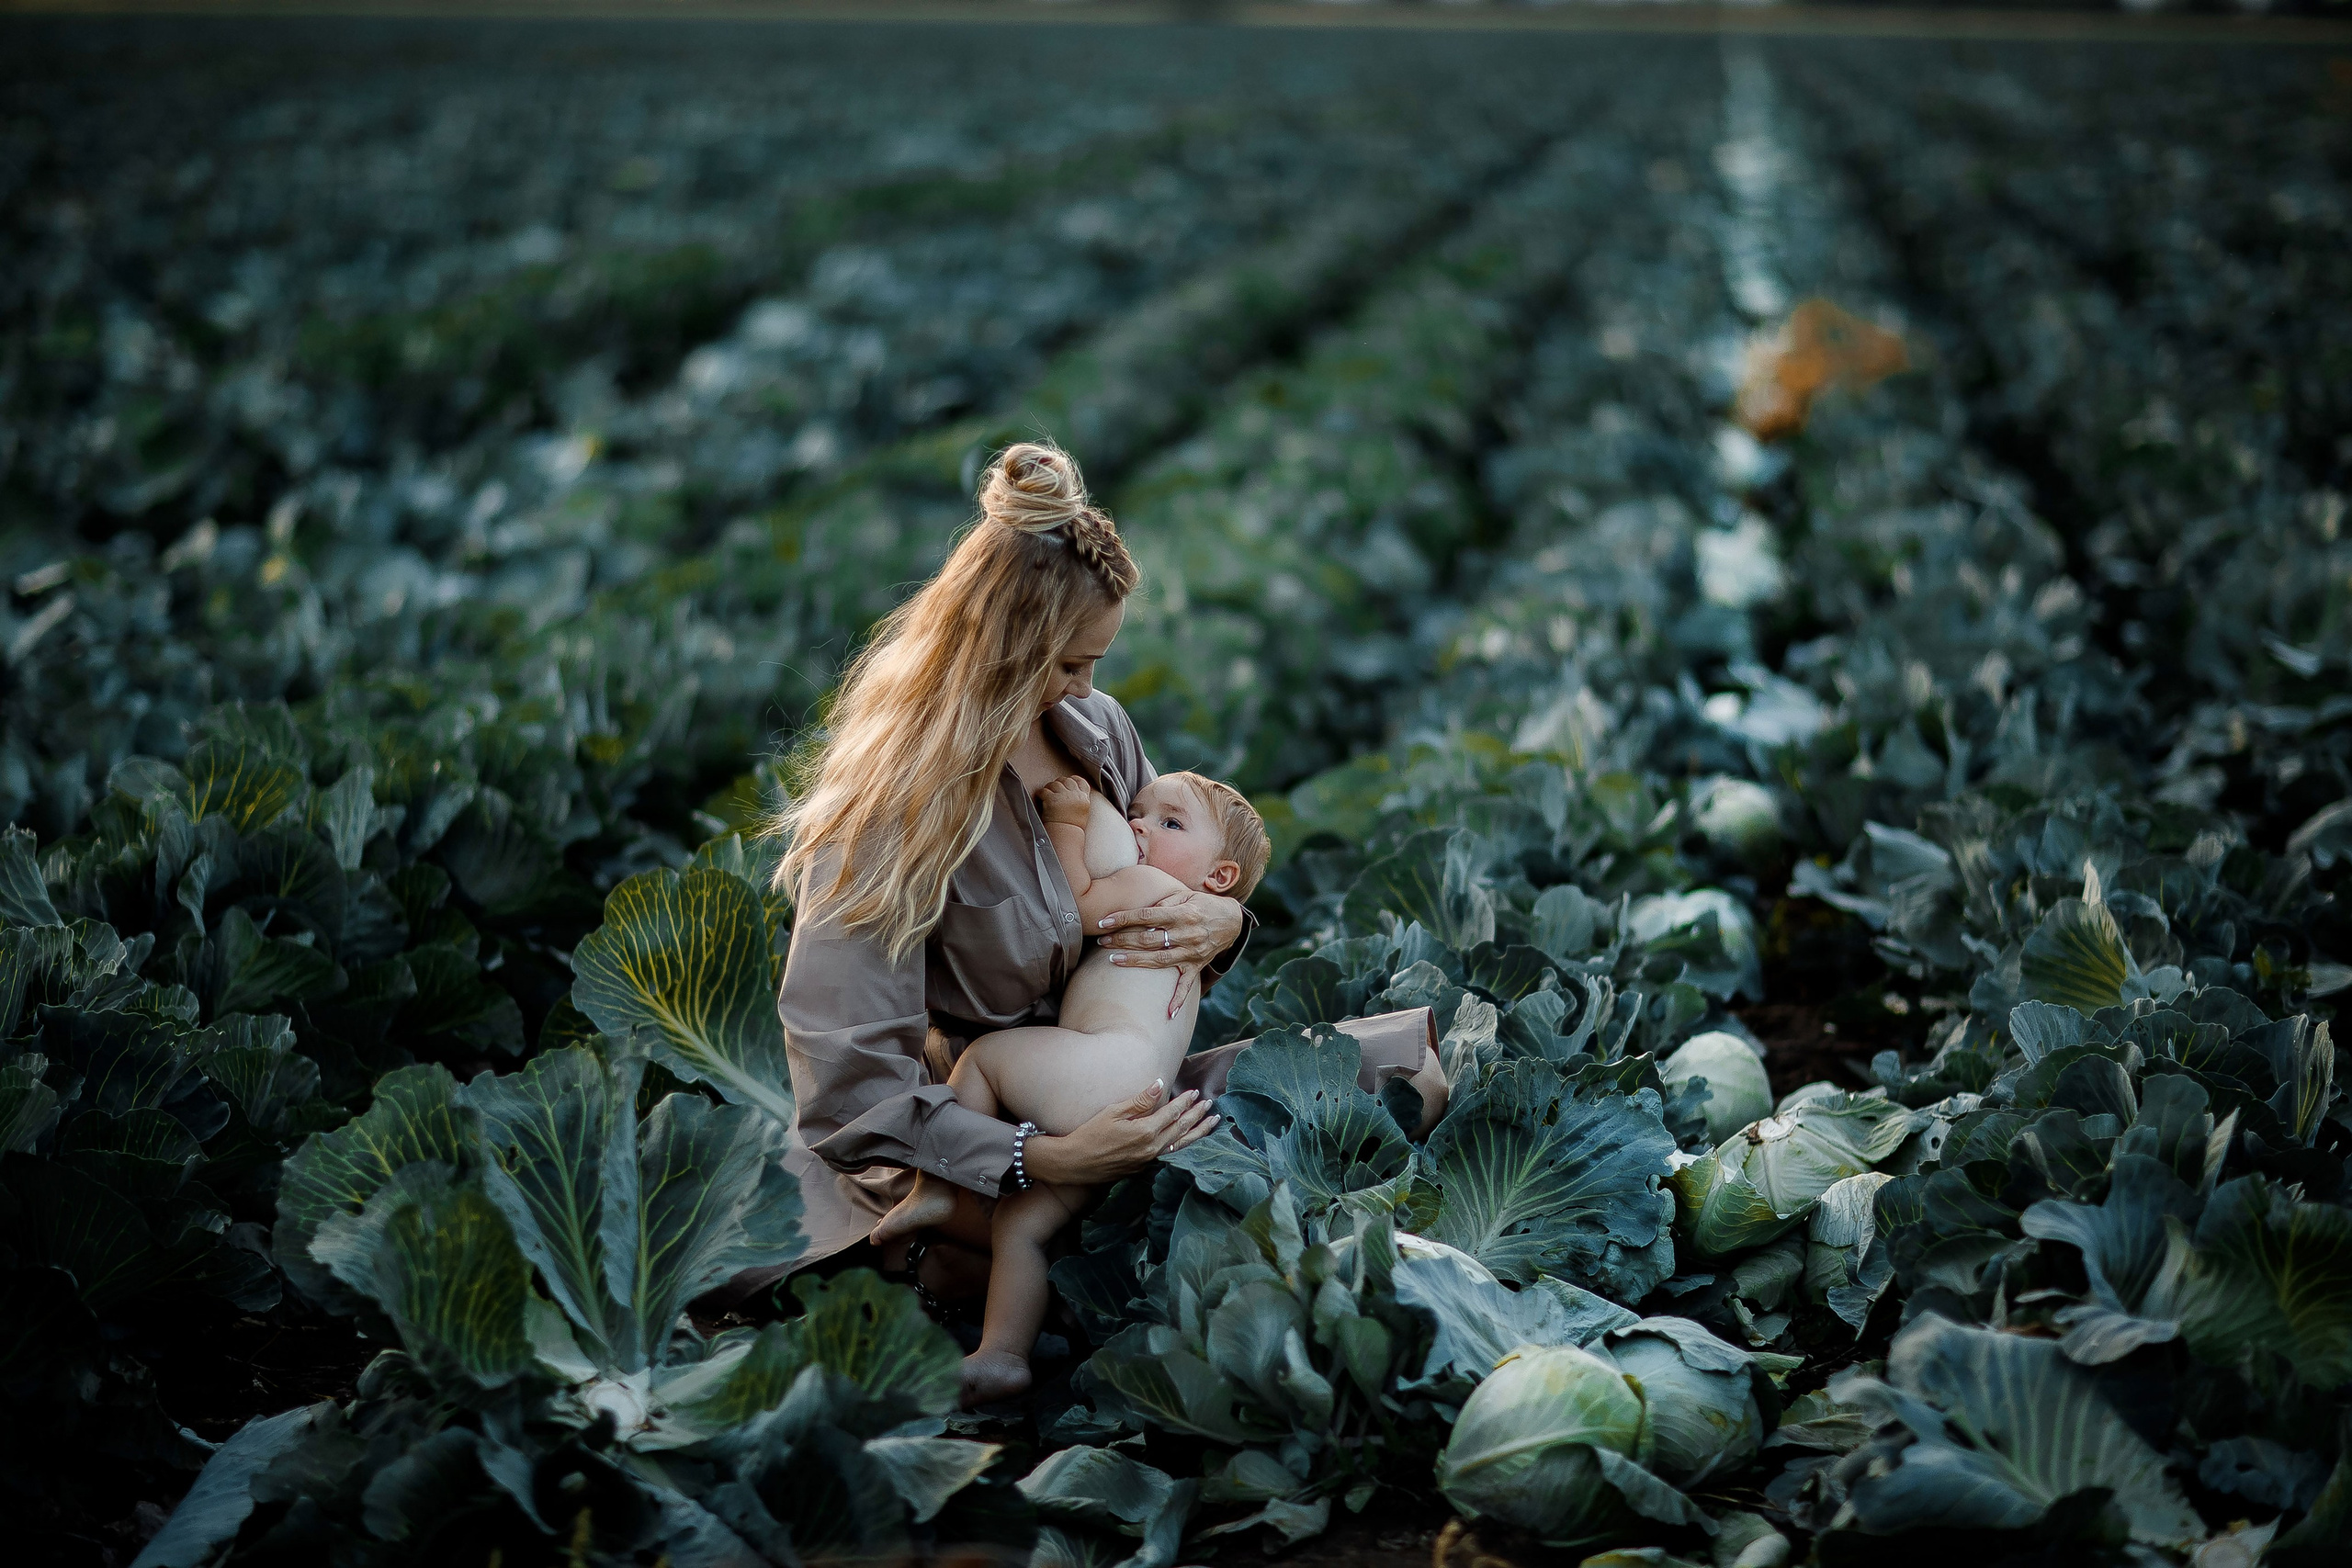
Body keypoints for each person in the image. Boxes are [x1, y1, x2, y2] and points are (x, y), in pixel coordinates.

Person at [763, 439, 1445, 1335]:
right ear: (996, 651)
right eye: (1067, 664)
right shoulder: (885, 819)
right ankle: (965, 1252)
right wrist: (1045, 1156)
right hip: (972, 1140)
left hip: (1117, 1079)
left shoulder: (1094, 731)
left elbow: (1168, 873)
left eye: (1096, 664)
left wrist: (1218, 917)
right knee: (1115, 1243)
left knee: (1407, 1074)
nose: (1085, 689)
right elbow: (853, 1099)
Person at [874, 769, 1272, 1404]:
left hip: (1100, 1071)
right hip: (1140, 1102)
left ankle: (941, 1188)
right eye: (1136, 813)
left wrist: (1068, 822)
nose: (1139, 825)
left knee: (979, 1059)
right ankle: (1003, 1354)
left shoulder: (1156, 888)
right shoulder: (1192, 925)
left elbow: (1077, 900)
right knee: (1023, 1227)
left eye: (1169, 823)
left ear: (1217, 878)